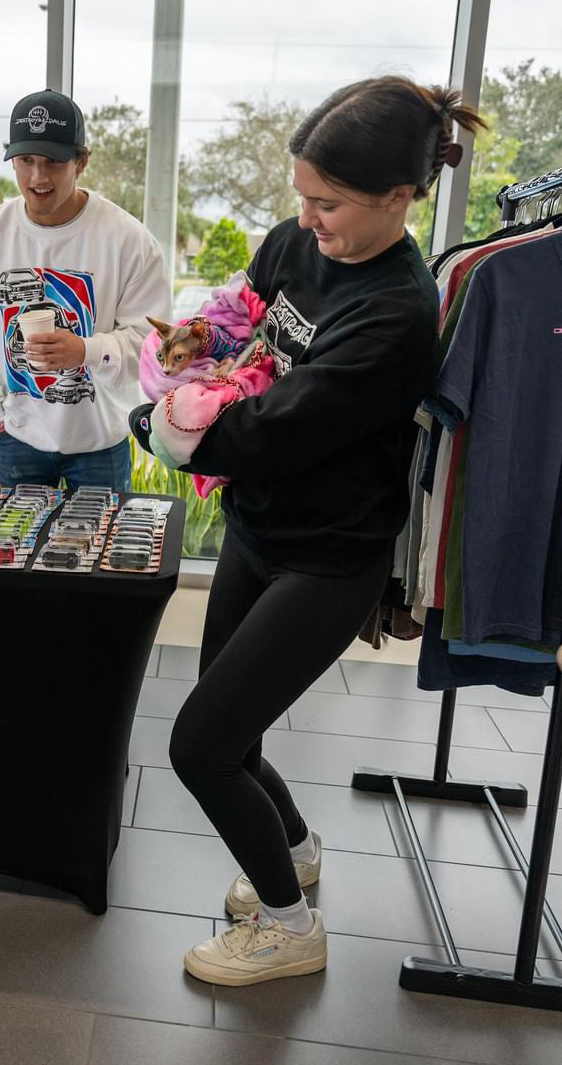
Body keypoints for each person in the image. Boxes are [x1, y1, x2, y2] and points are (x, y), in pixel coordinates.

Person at [131, 77, 484, 987]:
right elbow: (240, 326)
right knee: (232, 729)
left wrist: (162, 425)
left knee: (198, 745)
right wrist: (184, 363)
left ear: (399, 198)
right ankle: (294, 846)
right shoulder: (298, 240)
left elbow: (265, 429)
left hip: (330, 558)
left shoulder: (396, 313)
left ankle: (290, 927)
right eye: (301, 196)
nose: (306, 219)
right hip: (258, 524)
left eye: (328, 203)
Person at [0, 88, 171, 494]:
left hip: (101, 442)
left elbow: (153, 347)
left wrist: (84, 350)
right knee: (12, 556)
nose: (37, 178)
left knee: (99, 557)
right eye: (26, 161)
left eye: (53, 162)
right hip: (15, 439)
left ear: (81, 161)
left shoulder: (129, 241)